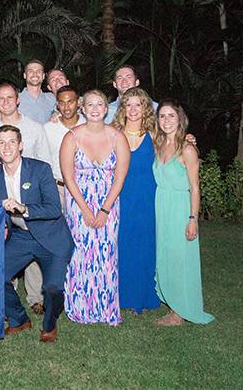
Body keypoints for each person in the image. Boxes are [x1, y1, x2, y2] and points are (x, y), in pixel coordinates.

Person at [0, 125, 74, 342]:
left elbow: (54, 209)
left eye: (12, 141)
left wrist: (24, 208)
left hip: (50, 236)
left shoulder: (41, 169)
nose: (7, 147)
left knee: (53, 288)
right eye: (2, 143)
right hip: (21, 237)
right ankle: (19, 319)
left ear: (21, 145)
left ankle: (50, 323)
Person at [60, 89, 130, 326]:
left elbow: (120, 178)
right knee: (80, 254)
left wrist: (104, 210)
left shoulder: (118, 137)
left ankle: (106, 307)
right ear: (82, 108)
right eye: (90, 104)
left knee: (106, 254)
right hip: (79, 203)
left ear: (106, 108)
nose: (95, 108)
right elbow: (68, 177)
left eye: (100, 104)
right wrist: (85, 210)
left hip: (108, 203)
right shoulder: (72, 137)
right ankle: (79, 305)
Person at [0, 82, 50, 313]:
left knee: (34, 241)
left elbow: (45, 161)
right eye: (1, 98)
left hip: (33, 195)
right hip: (4, 191)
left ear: (18, 99)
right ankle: (8, 295)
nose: (6, 102)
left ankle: (35, 297)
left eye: (10, 97)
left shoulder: (34, 127)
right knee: (10, 241)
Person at [153, 100, 214, 326]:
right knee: (165, 257)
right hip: (161, 206)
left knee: (178, 259)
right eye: (162, 116)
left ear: (180, 119)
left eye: (171, 116)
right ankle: (172, 306)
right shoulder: (158, 144)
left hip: (180, 208)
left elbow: (195, 187)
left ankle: (178, 313)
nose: (167, 121)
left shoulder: (187, 149)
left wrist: (193, 219)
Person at [109, 87, 162, 315]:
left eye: (138, 104)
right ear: (122, 107)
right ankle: (119, 296)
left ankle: (140, 297)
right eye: (128, 104)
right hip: (119, 197)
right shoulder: (111, 133)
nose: (133, 109)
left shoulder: (156, 135)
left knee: (143, 246)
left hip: (146, 198)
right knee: (119, 245)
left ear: (146, 108)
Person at [43, 86, 85, 206]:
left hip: (84, 187)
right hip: (58, 188)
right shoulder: (48, 128)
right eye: (62, 103)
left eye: (70, 102)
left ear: (78, 102)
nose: (66, 108)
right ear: (57, 104)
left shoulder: (88, 125)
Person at [18, 60, 56, 124]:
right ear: (25, 75)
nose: (35, 74)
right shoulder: (16, 99)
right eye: (31, 71)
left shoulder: (51, 98)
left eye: (38, 71)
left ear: (43, 76)